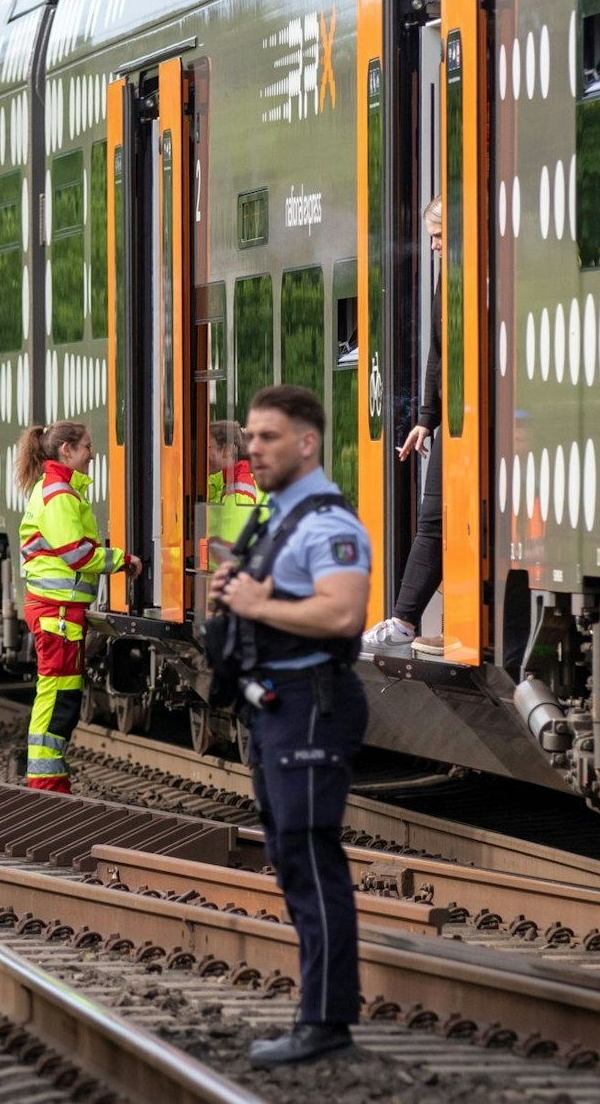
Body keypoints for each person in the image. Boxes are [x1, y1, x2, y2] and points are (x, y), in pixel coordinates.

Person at [209, 384, 371, 1069]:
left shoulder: (328, 523)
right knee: (292, 856)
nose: (253, 447)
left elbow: (341, 614)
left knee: (310, 856)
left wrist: (255, 602)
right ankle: (318, 1013)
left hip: (311, 701)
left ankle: (326, 1021)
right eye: (249, 435)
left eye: (268, 436)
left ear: (307, 442)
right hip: (277, 705)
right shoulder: (277, 516)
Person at [14, 421, 138, 794]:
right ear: (66, 450)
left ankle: (50, 781)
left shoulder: (57, 490)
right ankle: (47, 785)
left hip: (60, 614)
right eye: (86, 446)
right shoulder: (59, 495)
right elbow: (77, 554)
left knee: (60, 697)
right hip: (57, 614)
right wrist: (124, 560)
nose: (92, 453)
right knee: (56, 698)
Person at [365, 197, 446, 658]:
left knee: (435, 520)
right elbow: (438, 351)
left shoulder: (475, 272)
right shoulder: (446, 278)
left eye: (438, 236)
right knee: (435, 520)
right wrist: (425, 419)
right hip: (453, 421)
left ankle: (404, 621)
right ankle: (406, 620)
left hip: (473, 421)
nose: (433, 246)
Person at [205, 419, 262, 564]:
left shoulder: (239, 489)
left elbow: (230, 551)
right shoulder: (226, 481)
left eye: (208, 447)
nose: (203, 454)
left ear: (227, 450)